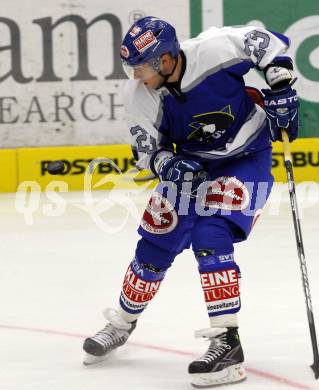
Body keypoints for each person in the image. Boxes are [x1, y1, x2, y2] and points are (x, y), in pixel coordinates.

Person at [82, 16, 299, 387]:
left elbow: (269, 43)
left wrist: (279, 82)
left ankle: (227, 343)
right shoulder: (140, 96)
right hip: (195, 166)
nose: (136, 76)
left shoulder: (214, 48)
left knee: (211, 235)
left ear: (165, 59)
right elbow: (146, 152)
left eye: (141, 67)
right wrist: (168, 163)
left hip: (247, 156)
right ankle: (122, 322)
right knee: (154, 243)